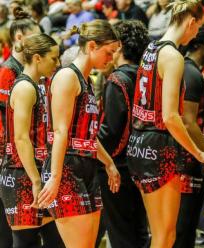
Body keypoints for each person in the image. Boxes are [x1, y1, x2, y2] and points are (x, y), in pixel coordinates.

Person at [127, 1, 204, 247]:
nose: (196, 34)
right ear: (191, 22)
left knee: (159, 233)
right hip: (158, 146)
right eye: (198, 28)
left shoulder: (150, 48)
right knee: (166, 237)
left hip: (138, 142)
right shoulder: (173, 56)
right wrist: (198, 152)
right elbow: (170, 116)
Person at [37, 19, 121, 248]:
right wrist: (55, 177)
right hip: (65, 168)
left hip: (86, 164)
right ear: (92, 45)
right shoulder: (67, 76)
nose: (112, 58)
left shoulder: (87, 81)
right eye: (109, 51)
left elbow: (87, 136)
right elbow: (60, 131)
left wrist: (109, 163)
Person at [0, 33, 65, 248]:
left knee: (56, 239)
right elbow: (20, 138)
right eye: (53, 58)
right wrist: (36, 180)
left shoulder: (40, 84)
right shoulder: (25, 87)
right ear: (37, 58)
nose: (57, 63)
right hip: (22, 173)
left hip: (37, 170)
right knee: (26, 242)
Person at [97, 20, 150, 248]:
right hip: (143, 161)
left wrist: (98, 155)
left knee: (121, 236)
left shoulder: (117, 80)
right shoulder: (146, 77)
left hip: (117, 168)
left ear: (118, 46)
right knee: (138, 232)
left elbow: (110, 132)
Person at [0, 7, 40, 248]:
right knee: (9, 232)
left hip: (20, 157)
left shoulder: (25, 70)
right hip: (8, 159)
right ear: (19, 38)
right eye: (35, 37)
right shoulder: (8, 71)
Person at [173, 24, 204, 248]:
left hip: (186, 159)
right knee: (182, 231)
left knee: (184, 231)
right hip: (186, 161)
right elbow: (188, 121)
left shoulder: (185, 69)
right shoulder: (189, 71)